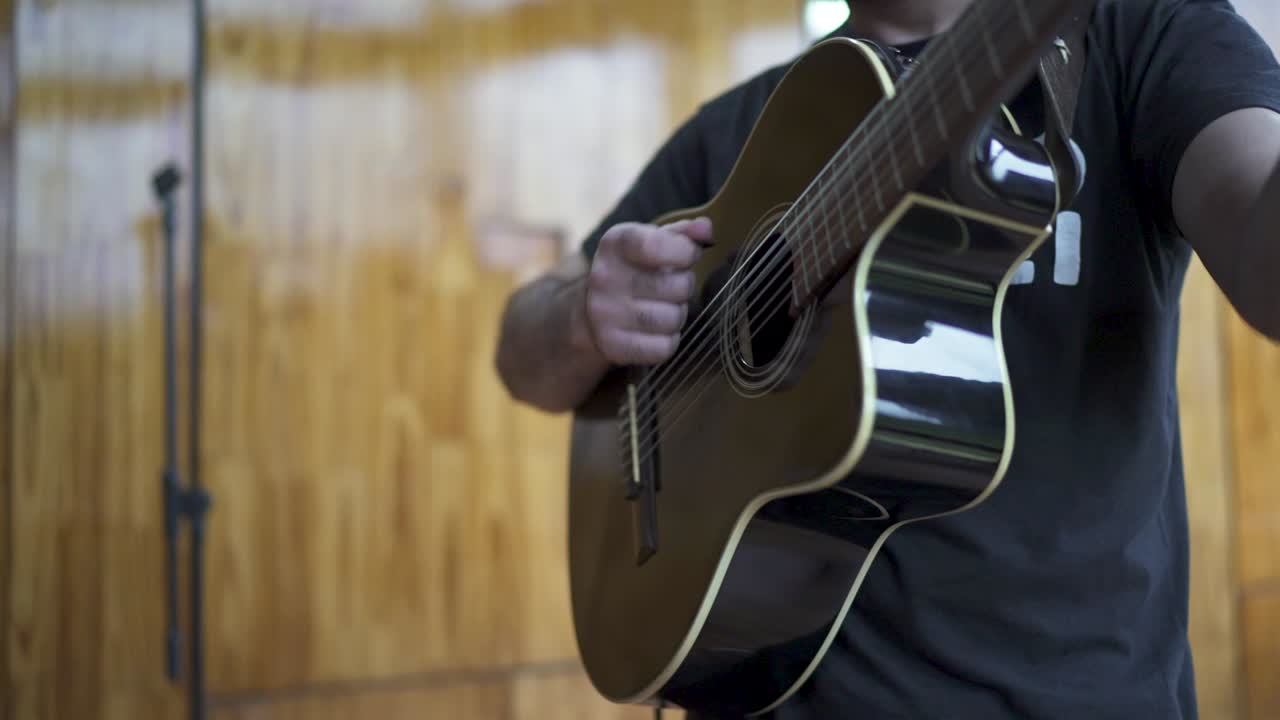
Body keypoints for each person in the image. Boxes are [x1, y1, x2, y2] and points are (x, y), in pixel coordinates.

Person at [495, 0, 1280, 717]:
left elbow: (1255, 224)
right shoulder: (741, 129)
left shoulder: (1139, 37)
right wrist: (580, 318)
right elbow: (521, 354)